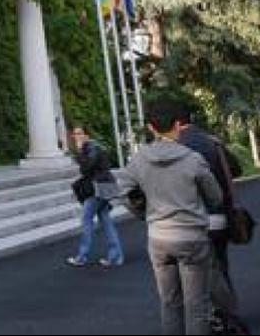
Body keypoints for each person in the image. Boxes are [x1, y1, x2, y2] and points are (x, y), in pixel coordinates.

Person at [115, 99, 223, 336]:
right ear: (177, 125)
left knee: (169, 303)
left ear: (151, 128)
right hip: (192, 237)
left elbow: (123, 192)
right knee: (197, 306)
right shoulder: (193, 159)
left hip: (159, 237)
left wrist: (142, 213)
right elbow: (215, 197)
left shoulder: (138, 160)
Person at [175, 105, 246, 334]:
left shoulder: (175, 147)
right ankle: (229, 317)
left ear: (176, 123)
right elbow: (236, 169)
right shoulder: (212, 141)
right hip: (221, 216)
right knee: (220, 266)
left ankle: (215, 318)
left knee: (194, 273)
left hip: (191, 218)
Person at [67, 125, 124, 268]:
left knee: (86, 220)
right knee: (105, 220)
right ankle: (115, 256)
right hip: (104, 187)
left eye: (79, 133)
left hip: (98, 188)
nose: (76, 136)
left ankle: (82, 256)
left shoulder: (92, 147)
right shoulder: (93, 146)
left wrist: (79, 151)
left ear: (86, 135)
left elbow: (86, 168)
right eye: (75, 134)